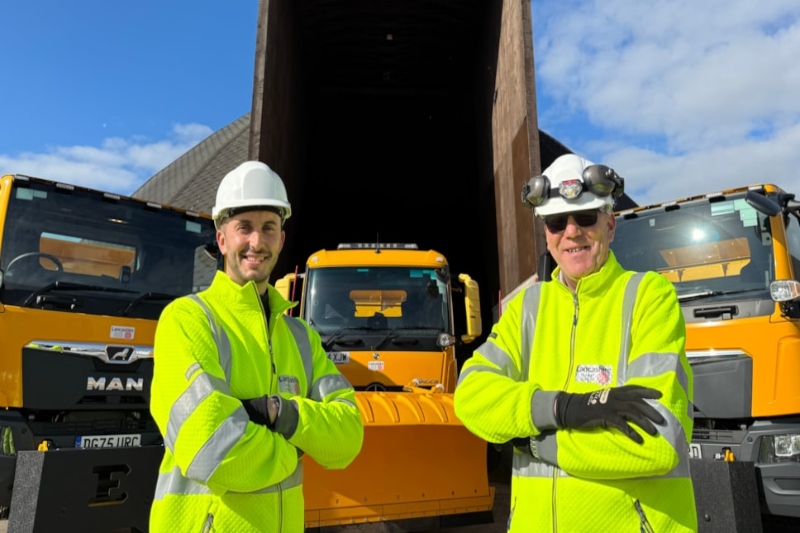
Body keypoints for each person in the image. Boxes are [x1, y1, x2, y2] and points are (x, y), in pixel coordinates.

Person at [454, 153, 697, 532]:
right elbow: (470, 397)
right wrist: (561, 408)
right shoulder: (526, 309)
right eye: (555, 222)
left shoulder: (647, 297)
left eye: (585, 217)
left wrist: (536, 442)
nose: (571, 232)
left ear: (610, 224)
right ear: (546, 233)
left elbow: (655, 444)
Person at [149, 161, 364, 532]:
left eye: (268, 228)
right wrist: (295, 449)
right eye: (243, 228)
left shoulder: (302, 338)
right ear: (221, 239)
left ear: (281, 239)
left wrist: (283, 414)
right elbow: (211, 451)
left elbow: (349, 437)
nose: (256, 242)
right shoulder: (188, 320)